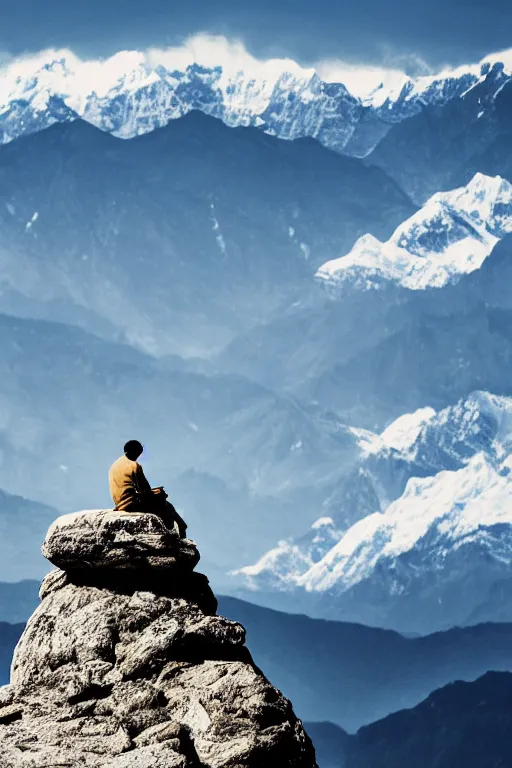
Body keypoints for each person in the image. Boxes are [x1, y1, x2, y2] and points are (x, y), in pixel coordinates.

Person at [108, 440, 187, 537]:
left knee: (160, 498)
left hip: (120, 503)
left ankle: (179, 526)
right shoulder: (134, 465)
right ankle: (172, 529)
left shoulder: (115, 465)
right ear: (136, 452)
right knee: (166, 504)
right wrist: (159, 493)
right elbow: (145, 490)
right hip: (132, 504)